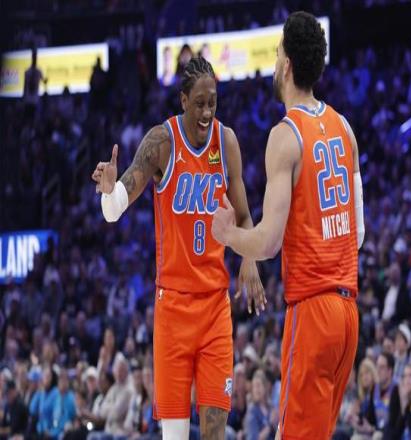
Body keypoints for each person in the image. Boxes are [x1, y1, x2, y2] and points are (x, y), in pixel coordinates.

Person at [91, 55, 264, 440]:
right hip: (173, 308)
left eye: (213, 103)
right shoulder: (161, 142)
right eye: (199, 103)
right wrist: (108, 191)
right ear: (183, 100)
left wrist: (249, 258)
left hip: (215, 306)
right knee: (175, 435)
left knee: (216, 430)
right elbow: (116, 208)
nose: (207, 112)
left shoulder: (227, 142)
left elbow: (244, 215)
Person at [211, 11, 363, 439]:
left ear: (288, 65)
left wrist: (228, 235)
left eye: (277, 53)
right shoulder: (345, 128)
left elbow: (268, 242)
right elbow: (358, 232)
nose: (275, 62)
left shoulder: (285, 135)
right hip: (348, 313)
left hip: (313, 311)